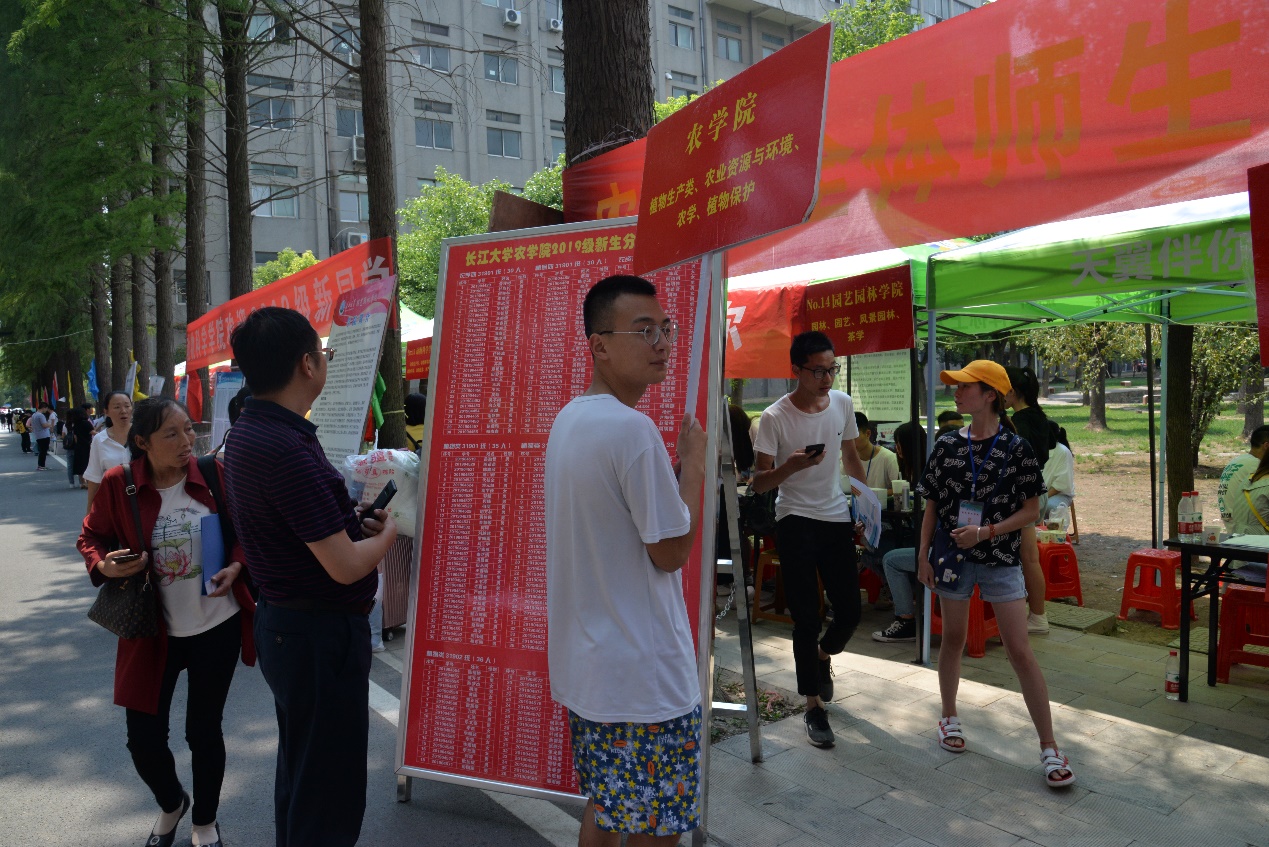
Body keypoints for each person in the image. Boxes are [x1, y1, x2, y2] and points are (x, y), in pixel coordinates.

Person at [223, 306, 397, 847]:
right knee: (328, 792)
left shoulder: (251, 430)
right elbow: (345, 566)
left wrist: (348, 524)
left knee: (303, 775)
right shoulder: (285, 448)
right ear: (306, 364)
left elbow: (299, 530)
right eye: (323, 353)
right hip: (318, 635)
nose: (325, 361)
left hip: (289, 625)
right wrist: (389, 534)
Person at [546, 275, 707, 847]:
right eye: (643, 331)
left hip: (593, 669)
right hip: (643, 679)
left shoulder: (570, 419)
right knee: (656, 830)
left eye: (665, 328)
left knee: (608, 807)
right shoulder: (632, 430)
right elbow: (672, 552)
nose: (661, 343)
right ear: (600, 346)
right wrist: (694, 467)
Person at [77, 398, 256, 847]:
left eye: (188, 430)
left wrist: (236, 565)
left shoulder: (212, 474)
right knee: (143, 739)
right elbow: (91, 535)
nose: (185, 441)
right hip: (151, 630)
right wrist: (103, 565)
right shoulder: (120, 484)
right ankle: (173, 802)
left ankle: (205, 824)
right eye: (171, 434)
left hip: (216, 625)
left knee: (204, 731)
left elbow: (245, 532)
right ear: (142, 442)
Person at [917, 360, 1075, 788]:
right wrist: (923, 556)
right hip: (952, 556)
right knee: (952, 639)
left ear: (990, 394)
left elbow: (1031, 511)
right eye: (955, 386)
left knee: (1020, 651)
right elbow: (931, 505)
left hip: (1001, 558)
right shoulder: (946, 445)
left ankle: (1049, 747)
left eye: (964, 386)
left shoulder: (1017, 448)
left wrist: (986, 532)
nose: (955, 392)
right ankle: (949, 717)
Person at [752, 330, 868, 749]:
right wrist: (791, 467)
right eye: (818, 371)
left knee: (850, 611)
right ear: (796, 370)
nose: (827, 378)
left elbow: (851, 456)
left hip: (835, 515)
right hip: (795, 519)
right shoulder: (774, 417)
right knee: (806, 617)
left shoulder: (842, 403)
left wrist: (864, 505)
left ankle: (822, 657)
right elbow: (759, 483)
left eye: (831, 369)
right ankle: (813, 705)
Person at [1004, 365, 1059, 634]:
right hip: (1038, 490)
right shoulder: (1038, 416)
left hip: (1023, 494)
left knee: (1027, 558)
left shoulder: (1019, 423)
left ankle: (1036, 616)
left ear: (1013, 392)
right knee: (1029, 557)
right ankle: (1037, 615)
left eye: (1001, 390)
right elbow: (1050, 445)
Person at [85, 392, 135, 509]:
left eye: (127, 406)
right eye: (117, 407)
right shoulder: (100, 440)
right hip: (113, 504)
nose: (123, 411)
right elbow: (94, 478)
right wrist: (89, 512)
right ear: (106, 412)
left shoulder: (144, 436)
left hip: (144, 502)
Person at [1218, 425, 1269, 527]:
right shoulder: (1257, 467)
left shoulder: (1238, 461)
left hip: (1232, 521)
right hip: (1247, 526)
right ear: (1266, 445)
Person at [1043, 428, 1076, 521]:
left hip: (1059, 494)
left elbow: (1060, 486)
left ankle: (1053, 529)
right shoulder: (1033, 448)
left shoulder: (1062, 451)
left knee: (1050, 506)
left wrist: (1041, 499)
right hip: (1038, 495)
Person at [71, 403, 96, 489]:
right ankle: (88, 482)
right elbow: (93, 432)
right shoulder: (86, 423)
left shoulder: (76, 424)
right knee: (88, 464)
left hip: (79, 446)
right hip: (87, 446)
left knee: (80, 465)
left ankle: (82, 482)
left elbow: (75, 437)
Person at [28, 402, 53, 470]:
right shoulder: (41, 415)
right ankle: (42, 465)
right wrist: (49, 424)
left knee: (41, 450)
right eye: (46, 408)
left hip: (38, 434)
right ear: (44, 408)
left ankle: (41, 465)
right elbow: (44, 425)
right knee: (43, 451)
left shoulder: (34, 415)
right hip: (44, 435)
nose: (46, 410)